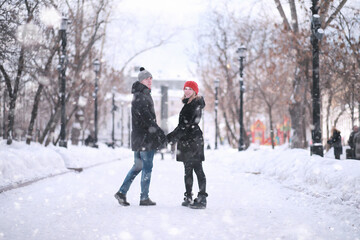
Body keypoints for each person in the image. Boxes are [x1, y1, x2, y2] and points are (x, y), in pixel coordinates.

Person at [114, 67, 166, 206]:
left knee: (137, 167)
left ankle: (122, 192)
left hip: (139, 138)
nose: (150, 81)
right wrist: (159, 132)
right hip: (145, 139)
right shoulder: (142, 96)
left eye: (151, 79)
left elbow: (145, 119)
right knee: (147, 167)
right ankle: (144, 198)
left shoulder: (139, 94)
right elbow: (147, 119)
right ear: (141, 80)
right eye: (147, 79)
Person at [166, 81, 208, 209]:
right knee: (188, 170)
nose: (187, 91)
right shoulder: (188, 104)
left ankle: (202, 198)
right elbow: (183, 126)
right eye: (186, 88)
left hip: (193, 140)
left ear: (195, 91)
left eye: (190, 89)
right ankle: (188, 196)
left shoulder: (195, 104)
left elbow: (185, 125)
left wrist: (169, 138)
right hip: (186, 140)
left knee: (197, 169)